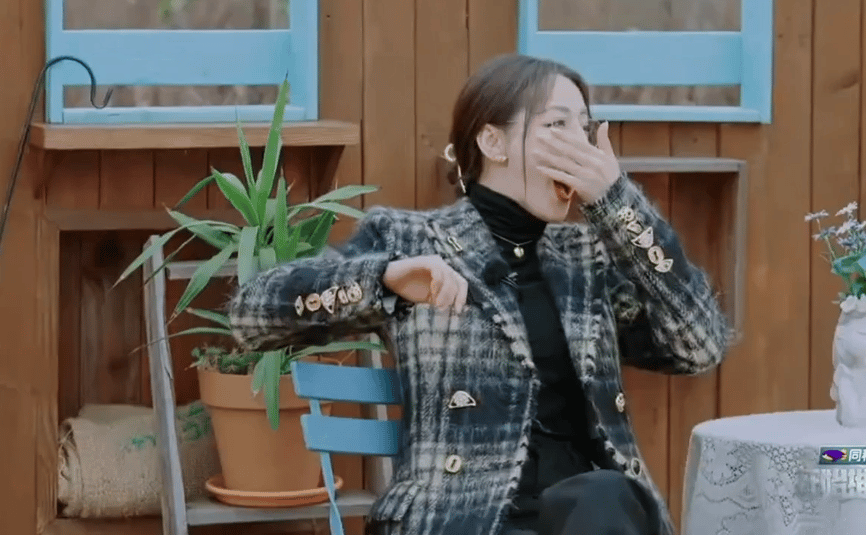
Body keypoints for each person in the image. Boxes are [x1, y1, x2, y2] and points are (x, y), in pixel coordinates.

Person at [228, 53, 732, 535]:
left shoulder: (586, 259)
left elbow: (700, 344)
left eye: (584, 128)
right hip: (463, 519)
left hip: (592, 518)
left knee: (603, 495)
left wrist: (619, 206)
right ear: (493, 142)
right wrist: (384, 280)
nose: (579, 146)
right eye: (557, 125)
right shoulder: (412, 241)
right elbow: (252, 314)